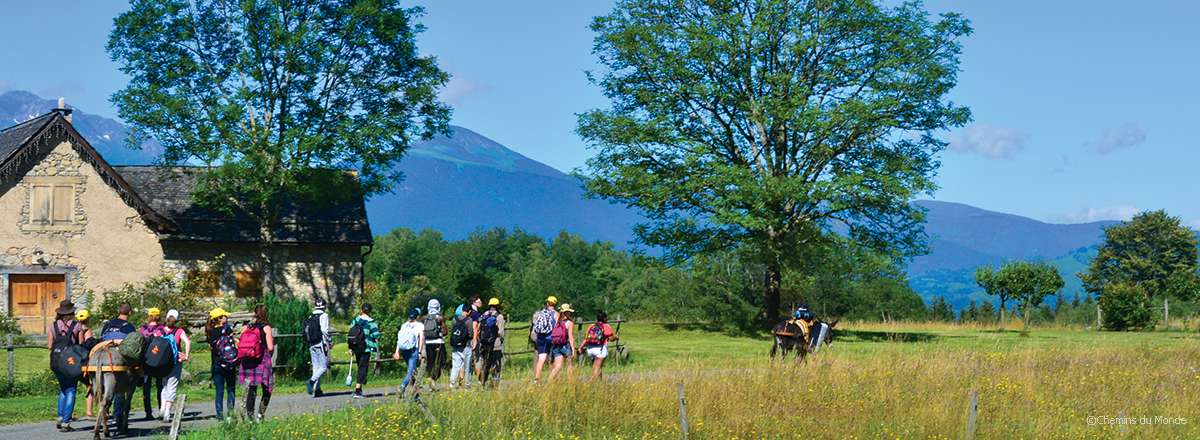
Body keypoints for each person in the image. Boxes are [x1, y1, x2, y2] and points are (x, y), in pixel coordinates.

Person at [48, 300, 85, 432]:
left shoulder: (53, 326)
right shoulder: (77, 326)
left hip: (56, 362)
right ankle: (66, 421)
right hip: (70, 362)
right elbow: (81, 345)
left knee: (63, 389)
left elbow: (49, 346)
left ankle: (60, 416)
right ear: (72, 312)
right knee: (71, 390)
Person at [99, 303, 136, 424]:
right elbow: (132, 344)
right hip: (119, 353)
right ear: (129, 313)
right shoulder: (129, 326)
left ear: (118, 311)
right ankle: (117, 414)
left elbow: (101, 338)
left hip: (103, 350)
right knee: (123, 381)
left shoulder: (108, 324)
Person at [239, 304, 275, 420]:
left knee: (251, 388)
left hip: (248, 360)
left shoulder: (246, 327)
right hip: (262, 359)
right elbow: (270, 347)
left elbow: (241, 343)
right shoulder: (266, 327)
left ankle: (250, 418)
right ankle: (260, 415)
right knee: (267, 387)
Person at [159, 309, 191, 423]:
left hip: (162, 363)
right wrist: (186, 355)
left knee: (164, 384)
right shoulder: (179, 331)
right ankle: (167, 413)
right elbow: (187, 342)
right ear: (176, 319)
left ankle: (162, 409)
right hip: (175, 361)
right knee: (172, 385)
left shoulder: (159, 330)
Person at [206, 308, 237, 420]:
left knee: (219, 391)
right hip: (229, 364)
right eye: (225, 316)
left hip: (216, 364)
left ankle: (219, 415)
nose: (227, 318)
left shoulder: (210, 332)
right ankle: (230, 414)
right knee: (230, 389)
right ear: (219, 318)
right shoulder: (227, 329)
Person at [137, 308, 165, 420]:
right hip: (158, 361)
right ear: (159, 316)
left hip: (146, 361)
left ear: (149, 316)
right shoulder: (162, 329)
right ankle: (161, 410)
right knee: (160, 387)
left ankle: (148, 413)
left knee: (146, 387)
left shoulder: (142, 329)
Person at [348, 303, 380, 399]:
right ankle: (358, 390)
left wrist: (350, 347)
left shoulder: (356, 320)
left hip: (356, 347)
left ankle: (360, 386)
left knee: (360, 366)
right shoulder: (372, 322)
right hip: (366, 348)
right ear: (370, 311)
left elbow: (351, 333)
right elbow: (376, 335)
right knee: (363, 367)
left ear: (361, 310)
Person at [393, 308, 425, 396]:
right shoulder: (420, 325)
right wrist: (419, 352)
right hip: (413, 350)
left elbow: (399, 340)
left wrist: (397, 352)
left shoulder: (404, 325)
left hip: (404, 350)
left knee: (412, 369)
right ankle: (402, 387)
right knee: (411, 371)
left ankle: (415, 389)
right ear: (417, 316)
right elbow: (421, 338)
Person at [578, 311, 618, 380]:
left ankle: (599, 382)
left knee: (596, 366)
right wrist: (616, 337)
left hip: (590, 349)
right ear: (604, 318)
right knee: (597, 367)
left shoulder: (592, 326)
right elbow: (611, 339)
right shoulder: (606, 326)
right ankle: (594, 384)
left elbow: (586, 339)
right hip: (600, 349)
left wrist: (580, 347)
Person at [529, 296, 559, 384]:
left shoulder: (539, 313)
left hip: (541, 338)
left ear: (547, 303)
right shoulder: (556, 314)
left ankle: (536, 379)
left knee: (541, 358)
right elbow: (557, 328)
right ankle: (552, 379)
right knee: (552, 359)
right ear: (555, 304)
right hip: (551, 338)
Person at [74, 309, 97, 421]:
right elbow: (87, 345)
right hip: (83, 360)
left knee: (71, 387)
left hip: (71, 359)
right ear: (88, 318)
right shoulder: (87, 330)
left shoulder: (73, 328)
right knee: (90, 385)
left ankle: (70, 412)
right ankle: (89, 411)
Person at [477, 297, 506, 385]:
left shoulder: (484, 314)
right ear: (497, 306)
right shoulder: (499, 316)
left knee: (486, 362)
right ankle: (495, 380)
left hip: (484, 343)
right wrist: (501, 339)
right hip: (495, 343)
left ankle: (482, 380)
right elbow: (500, 332)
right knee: (496, 363)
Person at [306, 298, 331, 397]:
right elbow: (324, 330)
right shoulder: (324, 315)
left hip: (311, 344)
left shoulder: (311, 316)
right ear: (324, 306)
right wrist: (329, 341)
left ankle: (317, 390)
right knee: (324, 367)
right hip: (320, 344)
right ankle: (311, 382)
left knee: (316, 367)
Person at [447, 305, 475, 389]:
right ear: (469, 311)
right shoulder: (469, 320)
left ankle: (452, 383)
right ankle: (467, 385)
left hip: (455, 346)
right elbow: (470, 334)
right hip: (466, 346)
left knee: (455, 365)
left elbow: (452, 331)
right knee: (467, 366)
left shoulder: (454, 319)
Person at [547, 303, 577, 383]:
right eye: (569, 312)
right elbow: (570, 337)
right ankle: (571, 383)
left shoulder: (557, 321)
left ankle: (549, 381)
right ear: (566, 312)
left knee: (558, 366)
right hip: (565, 346)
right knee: (569, 365)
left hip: (556, 346)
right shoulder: (569, 323)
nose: (570, 313)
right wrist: (573, 349)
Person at [421, 299, 446, 388]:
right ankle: (433, 378)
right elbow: (445, 332)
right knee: (441, 362)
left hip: (427, 343)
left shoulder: (424, 318)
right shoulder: (440, 317)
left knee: (430, 363)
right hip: (438, 342)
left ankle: (430, 377)